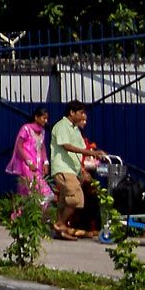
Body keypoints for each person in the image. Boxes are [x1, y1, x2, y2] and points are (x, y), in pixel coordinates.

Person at [49, 100, 91, 238]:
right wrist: (92, 153)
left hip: (72, 170)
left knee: (64, 201)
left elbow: (78, 152)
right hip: (63, 168)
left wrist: (82, 170)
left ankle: (59, 231)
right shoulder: (61, 126)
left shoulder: (75, 129)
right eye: (80, 112)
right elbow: (66, 146)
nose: (83, 115)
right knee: (76, 198)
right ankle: (61, 223)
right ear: (72, 113)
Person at [5, 105, 53, 205]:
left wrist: (46, 162)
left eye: (47, 118)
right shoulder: (26, 129)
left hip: (38, 164)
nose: (46, 121)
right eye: (44, 118)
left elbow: (42, 147)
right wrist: (28, 161)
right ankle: (38, 215)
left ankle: (22, 216)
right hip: (27, 165)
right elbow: (19, 146)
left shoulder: (42, 132)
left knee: (26, 192)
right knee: (41, 190)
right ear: (36, 117)